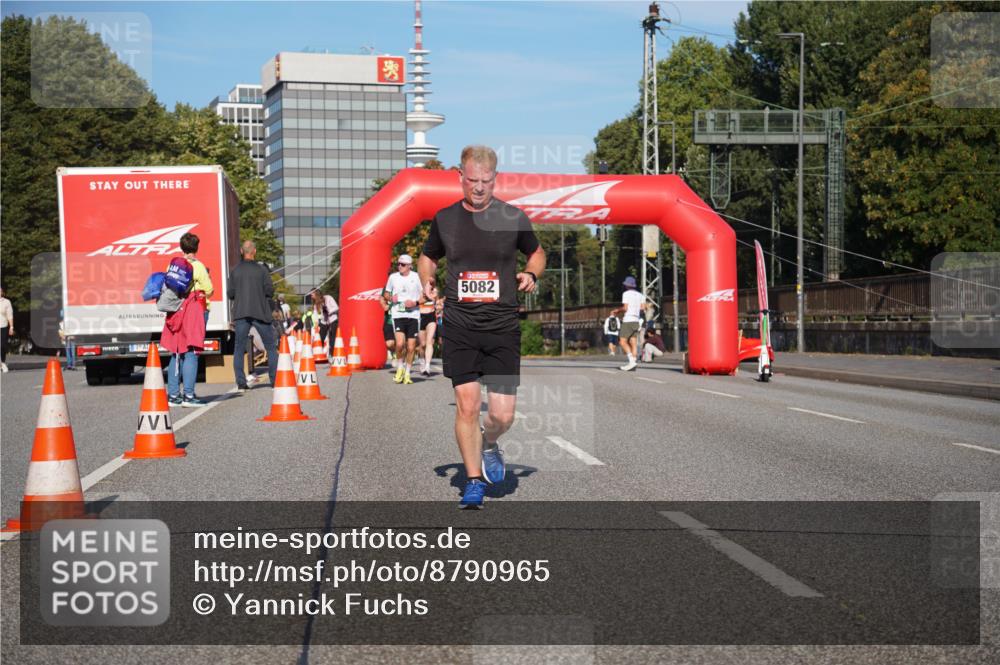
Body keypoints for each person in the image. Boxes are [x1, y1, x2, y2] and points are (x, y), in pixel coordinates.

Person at [418, 145, 546, 508]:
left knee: (502, 414)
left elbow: (537, 252)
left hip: (502, 325)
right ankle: (473, 481)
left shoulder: (512, 217)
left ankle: (490, 443)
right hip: (460, 323)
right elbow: (428, 256)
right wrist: (428, 278)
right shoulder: (445, 219)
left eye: (485, 181)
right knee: (467, 406)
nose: (477, 187)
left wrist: (531, 273)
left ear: (496, 179)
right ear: (460, 176)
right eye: (471, 180)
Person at [228, 240, 278, 391]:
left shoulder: (235, 270)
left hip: (241, 312)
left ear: (242, 252)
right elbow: (270, 291)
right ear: (254, 251)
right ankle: (274, 380)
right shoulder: (262, 270)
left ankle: (241, 382)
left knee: (239, 347)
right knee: (270, 346)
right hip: (260, 312)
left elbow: (230, 294)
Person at [161, 271, 208, 407]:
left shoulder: (172, 268)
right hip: (191, 309)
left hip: (177, 311)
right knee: (191, 353)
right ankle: (188, 395)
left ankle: (173, 395)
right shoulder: (197, 266)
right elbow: (208, 288)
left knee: (176, 355)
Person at [383, 254, 423, 384]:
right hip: (398, 313)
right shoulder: (393, 277)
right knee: (400, 344)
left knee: (411, 347)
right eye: (398, 264)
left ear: (410, 266)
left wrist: (415, 303)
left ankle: (407, 373)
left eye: (403, 264)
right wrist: (390, 298)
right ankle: (400, 368)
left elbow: (424, 296)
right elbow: (386, 293)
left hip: (413, 315)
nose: (399, 266)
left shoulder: (416, 277)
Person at [612, 276, 644, 371]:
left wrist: (617, 310)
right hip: (636, 320)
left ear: (627, 285)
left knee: (622, 341)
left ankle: (631, 362)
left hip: (628, 320)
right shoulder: (641, 295)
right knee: (633, 342)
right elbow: (642, 309)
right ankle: (634, 361)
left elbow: (625, 308)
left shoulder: (626, 294)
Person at [416, 280, 439, 376]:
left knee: (430, 341)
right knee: (422, 344)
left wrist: (429, 294)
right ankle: (422, 361)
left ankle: (427, 366)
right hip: (420, 316)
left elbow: (434, 299)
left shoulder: (435, 290)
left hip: (431, 316)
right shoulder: (418, 290)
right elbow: (418, 301)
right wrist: (422, 294)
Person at [0, 287, 13, 373]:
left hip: (3, 326)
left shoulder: (6, 302)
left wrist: (11, 327)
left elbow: (10, 315)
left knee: (2, 345)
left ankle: (3, 363)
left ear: (2, 292)